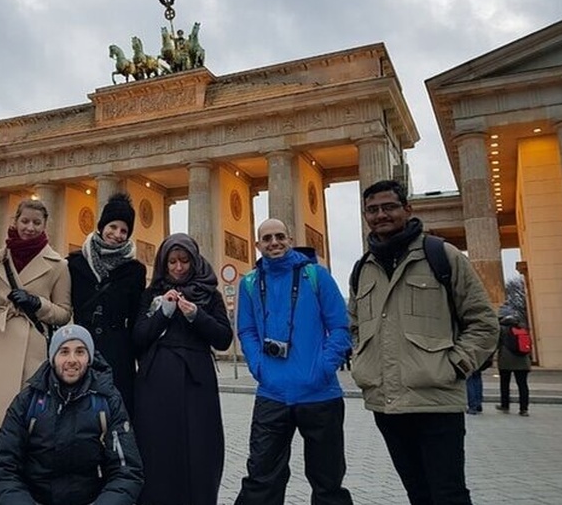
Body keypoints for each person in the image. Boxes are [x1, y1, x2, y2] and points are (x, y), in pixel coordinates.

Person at [348, 180, 498, 505]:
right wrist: (363, 364)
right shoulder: (363, 269)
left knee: (448, 494)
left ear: (407, 209)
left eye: (389, 207)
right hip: (386, 403)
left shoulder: (441, 256)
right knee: (417, 493)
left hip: (436, 399)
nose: (381, 215)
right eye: (372, 210)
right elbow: (356, 326)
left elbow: (483, 322)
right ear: (365, 215)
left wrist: (456, 364)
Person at [0, 199, 73, 505]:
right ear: (15, 221)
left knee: (27, 440)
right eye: (25, 221)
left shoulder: (59, 265)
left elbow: (63, 313)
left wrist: (38, 305)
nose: (30, 228)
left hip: (30, 352)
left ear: (45, 226)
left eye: (36, 223)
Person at [234, 219, 353, 505]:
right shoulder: (249, 283)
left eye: (279, 236)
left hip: (320, 393)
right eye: (266, 238)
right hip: (272, 393)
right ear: (258, 245)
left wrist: (323, 368)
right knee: (261, 477)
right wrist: (257, 366)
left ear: (289, 239)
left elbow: (340, 327)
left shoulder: (316, 276)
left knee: (327, 480)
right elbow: (247, 331)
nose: (273, 242)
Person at [0, 324, 143, 505]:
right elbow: (2, 470)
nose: (72, 359)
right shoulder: (27, 401)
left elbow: (127, 471)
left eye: (80, 352)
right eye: (64, 352)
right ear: (53, 358)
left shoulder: (107, 401)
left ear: (89, 358)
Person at [132, 233, 233, 505]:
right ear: (163, 263)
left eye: (184, 261)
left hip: (197, 383)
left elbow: (224, 338)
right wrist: (162, 312)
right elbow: (138, 338)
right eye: (172, 262)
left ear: (194, 261)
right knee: (158, 449)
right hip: (156, 384)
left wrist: (196, 315)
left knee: (200, 449)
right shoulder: (152, 294)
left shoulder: (209, 294)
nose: (178, 267)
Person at [68, 192, 146, 417]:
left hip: (118, 355)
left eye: (124, 230)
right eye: (112, 226)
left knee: (116, 415)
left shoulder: (135, 271)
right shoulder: (74, 263)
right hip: (81, 349)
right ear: (101, 226)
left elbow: (135, 317)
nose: (117, 234)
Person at [496, 314, 531, 416]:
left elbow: (496, 343)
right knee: (523, 385)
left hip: (506, 361)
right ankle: (524, 409)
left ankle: (505, 405)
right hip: (523, 361)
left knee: (504, 384)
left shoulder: (501, 330)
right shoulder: (523, 329)